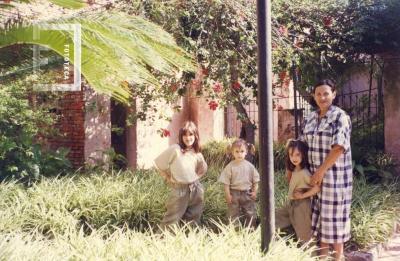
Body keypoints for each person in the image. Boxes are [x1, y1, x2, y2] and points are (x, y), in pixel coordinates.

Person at [300, 79, 353, 261]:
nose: (322, 97)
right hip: (314, 178)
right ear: (314, 96)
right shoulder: (311, 118)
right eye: (318, 94)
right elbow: (301, 146)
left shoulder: (340, 117)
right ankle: (323, 258)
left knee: (334, 223)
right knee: (320, 222)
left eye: (326, 93)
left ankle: (338, 258)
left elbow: (339, 147)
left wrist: (320, 172)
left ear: (334, 94)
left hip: (334, 179)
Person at [154, 121, 208, 230]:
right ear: (181, 136)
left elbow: (202, 169)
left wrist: (195, 178)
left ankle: (189, 241)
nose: (188, 138)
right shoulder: (175, 149)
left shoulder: (196, 153)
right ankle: (163, 242)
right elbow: (158, 164)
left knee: (193, 219)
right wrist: (167, 177)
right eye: (185, 135)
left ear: (196, 136)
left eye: (191, 134)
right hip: (179, 190)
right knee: (171, 220)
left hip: (195, 190)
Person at [275, 139, 320, 243]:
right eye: (291, 155)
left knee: (305, 235)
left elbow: (317, 188)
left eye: (297, 155)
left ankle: (310, 256)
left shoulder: (304, 173)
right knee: (273, 219)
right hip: (291, 204)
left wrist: (303, 196)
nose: (294, 158)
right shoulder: (295, 169)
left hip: (302, 206)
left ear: (303, 155)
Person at [218, 139, 260, 227]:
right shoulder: (230, 166)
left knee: (250, 212)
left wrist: (255, 192)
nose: (239, 154)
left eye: (242, 151)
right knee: (233, 213)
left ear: (246, 152)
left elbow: (255, 180)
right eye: (237, 152)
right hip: (234, 193)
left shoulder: (250, 166)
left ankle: (251, 229)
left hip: (247, 193)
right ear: (232, 153)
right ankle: (234, 230)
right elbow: (226, 183)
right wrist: (228, 195)